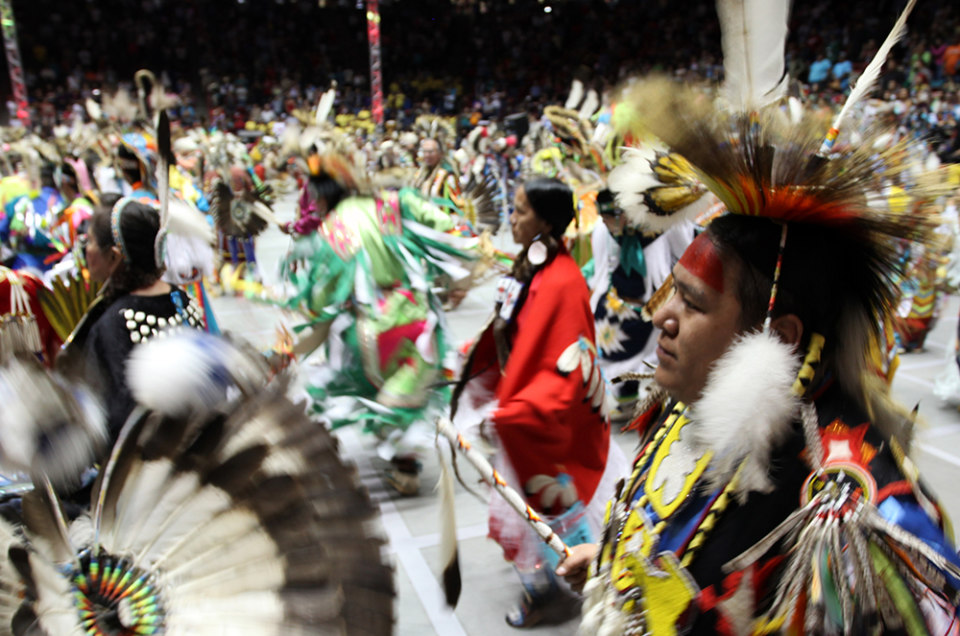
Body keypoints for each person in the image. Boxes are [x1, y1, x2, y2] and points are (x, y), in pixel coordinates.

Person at [556, 81, 960, 633]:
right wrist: (615, 570)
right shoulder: (698, 396)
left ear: (780, 336)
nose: (659, 316)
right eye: (671, 290)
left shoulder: (852, 514)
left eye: (691, 302)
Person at [452, 177, 626, 628]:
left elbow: (569, 365)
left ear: (546, 221)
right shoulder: (533, 263)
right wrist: (479, 351)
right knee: (540, 518)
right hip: (525, 411)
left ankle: (558, 593)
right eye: (512, 209)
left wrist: (517, 413)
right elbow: (515, 328)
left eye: (519, 211)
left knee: (559, 519)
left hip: (551, 425)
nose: (510, 218)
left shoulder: (563, 281)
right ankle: (553, 587)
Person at [281, 153, 474, 495]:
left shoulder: (332, 229)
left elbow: (320, 300)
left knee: (365, 388)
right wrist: (456, 276)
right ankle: (405, 463)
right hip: (417, 320)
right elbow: (449, 228)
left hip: (370, 331)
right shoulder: (395, 202)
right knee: (409, 391)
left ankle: (397, 459)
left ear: (323, 198)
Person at [70, 195, 204, 444]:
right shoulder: (182, 299)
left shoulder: (114, 323)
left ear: (113, 256)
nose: (85, 250)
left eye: (89, 241)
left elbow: (118, 418)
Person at [413, 137, 461, 202]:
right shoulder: (419, 173)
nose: (427, 155)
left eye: (430, 152)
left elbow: (456, 202)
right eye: (424, 151)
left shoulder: (447, 174)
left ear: (440, 153)